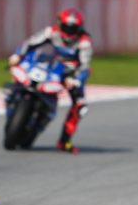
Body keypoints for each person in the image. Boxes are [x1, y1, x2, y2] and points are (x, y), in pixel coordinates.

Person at [8, 8, 93, 154]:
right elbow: (30, 43)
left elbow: (84, 66)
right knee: (20, 76)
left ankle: (64, 141)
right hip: (48, 63)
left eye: (74, 28)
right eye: (67, 27)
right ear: (60, 23)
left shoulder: (84, 42)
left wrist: (75, 79)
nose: (70, 31)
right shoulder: (51, 32)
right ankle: (12, 101)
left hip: (69, 72)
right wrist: (17, 55)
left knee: (80, 105)